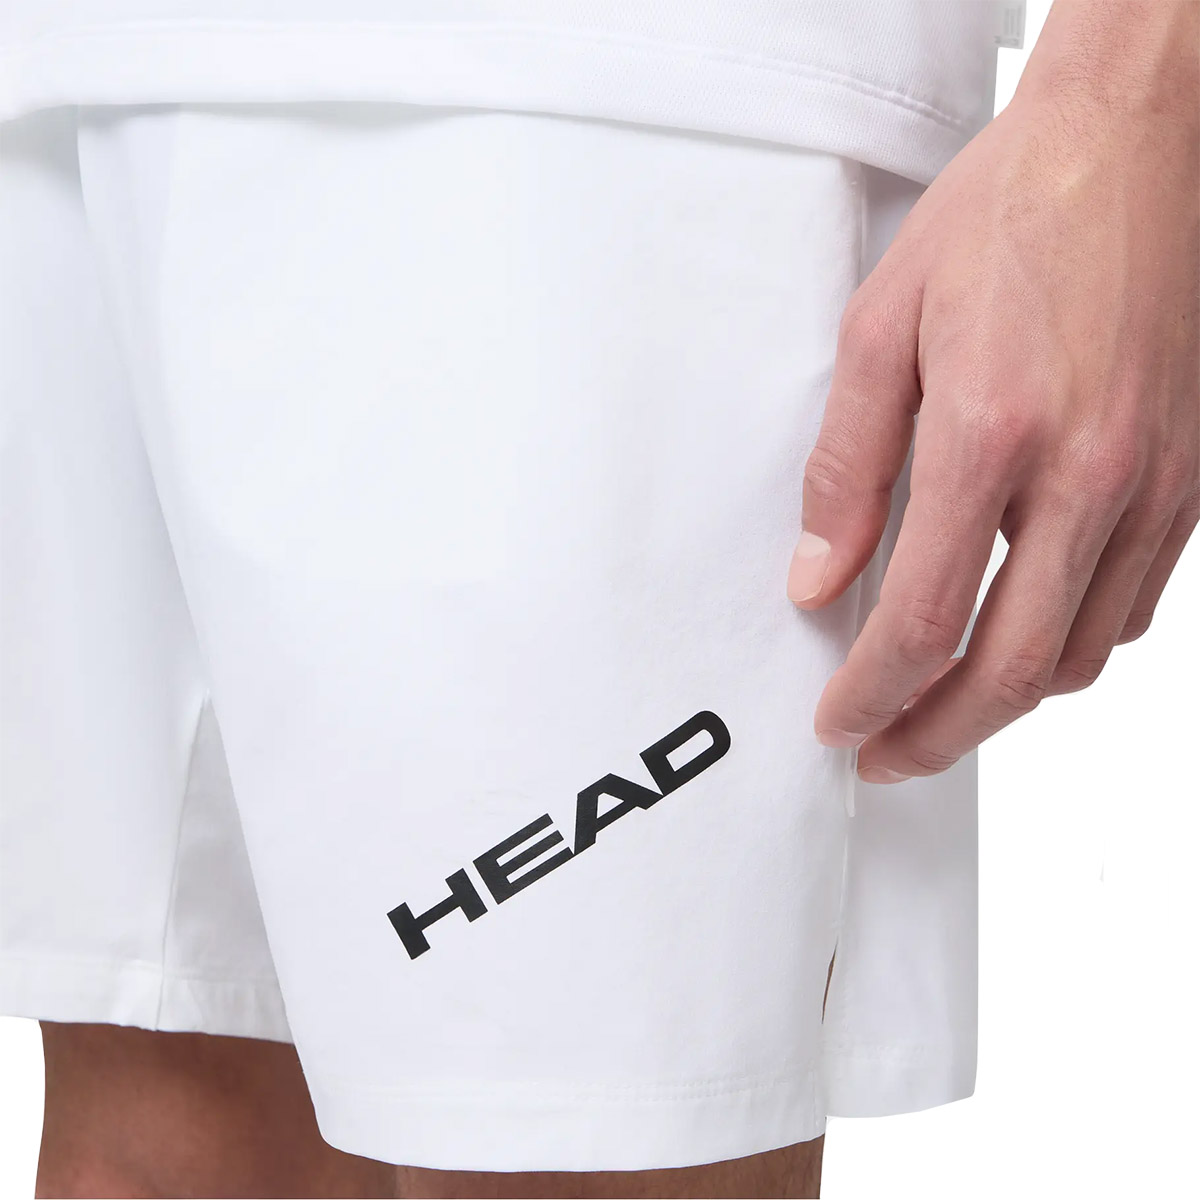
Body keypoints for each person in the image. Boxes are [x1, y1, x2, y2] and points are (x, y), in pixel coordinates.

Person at [0, 1, 1195, 1197]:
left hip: (625, 104)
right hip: (64, 86)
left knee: (565, 1141)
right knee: (153, 1130)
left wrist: (1134, 101)